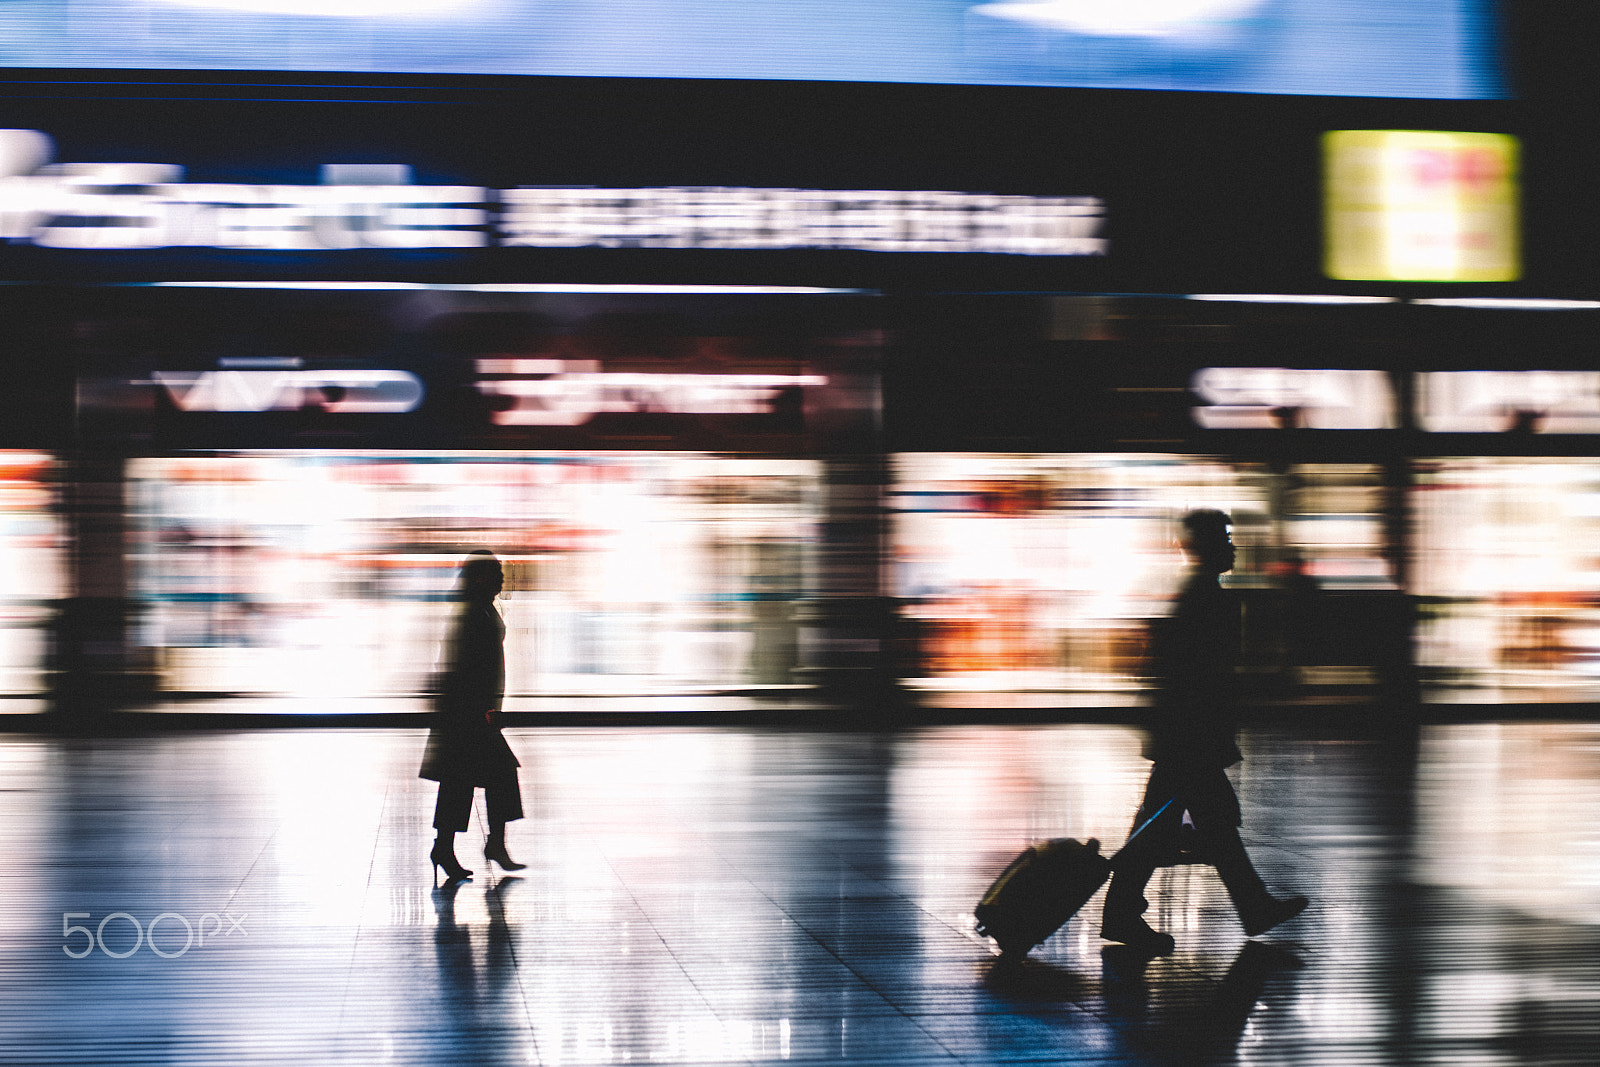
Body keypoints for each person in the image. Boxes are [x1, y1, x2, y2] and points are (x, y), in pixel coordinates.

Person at [1101, 509, 1307, 955]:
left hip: (1183, 735)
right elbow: (1205, 676)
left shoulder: (1194, 593)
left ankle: (1251, 907)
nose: (1233, 546)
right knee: (1174, 828)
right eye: (1225, 537)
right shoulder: (1205, 598)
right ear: (1203, 545)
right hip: (1190, 737)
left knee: (1195, 826)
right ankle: (1124, 913)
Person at [420, 550, 526, 882]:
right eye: (496, 573)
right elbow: (467, 666)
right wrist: (484, 710)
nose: (502, 579)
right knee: (492, 775)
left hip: (471, 713)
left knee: (461, 781)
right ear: (480, 577)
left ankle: (449, 848)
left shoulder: (476, 607)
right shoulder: (471, 611)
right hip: (470, 714)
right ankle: (489, 845)